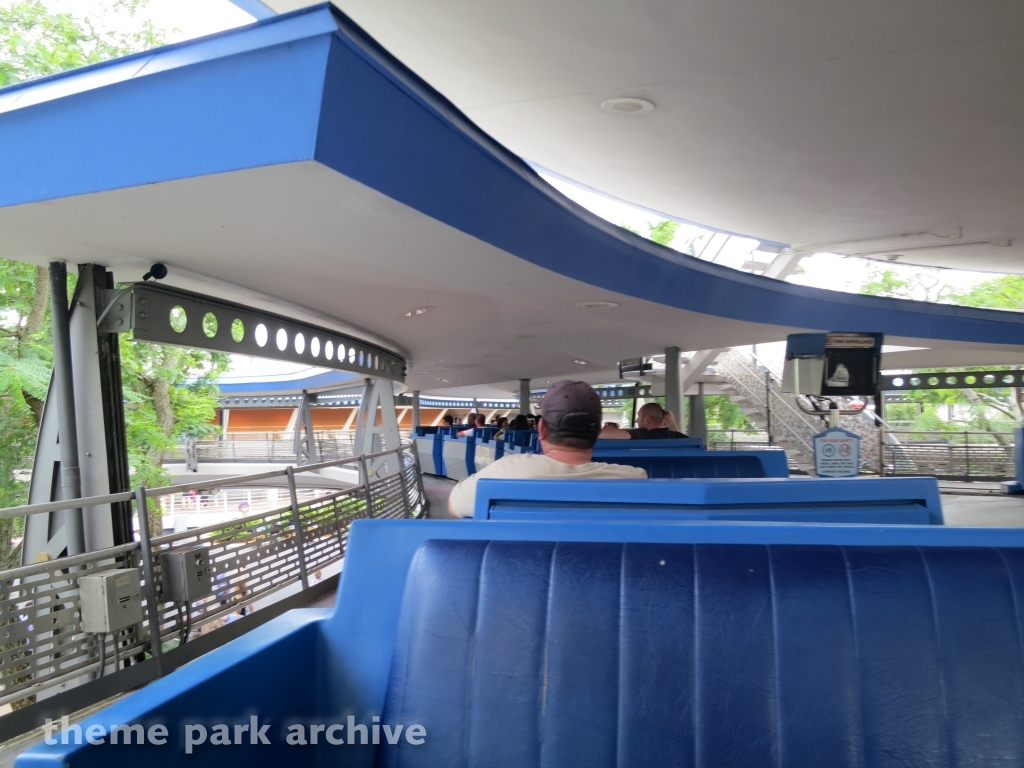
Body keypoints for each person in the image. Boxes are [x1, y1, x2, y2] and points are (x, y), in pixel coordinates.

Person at [448, 381, 647, 517]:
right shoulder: (636, 479)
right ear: (597, 432)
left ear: (541, 429)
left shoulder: (504, 471)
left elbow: (453, 506)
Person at [600, 402, 687, 439]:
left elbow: (622, 434)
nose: (636, 420)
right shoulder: (675, 437)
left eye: (639, 416)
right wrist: (672, 422)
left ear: (647, 419)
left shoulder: (644, 435)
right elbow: (678, 437)